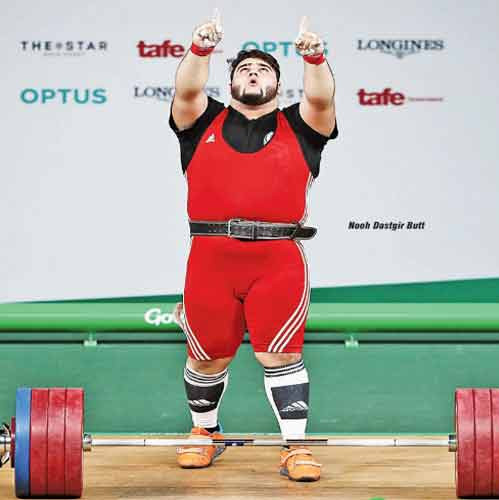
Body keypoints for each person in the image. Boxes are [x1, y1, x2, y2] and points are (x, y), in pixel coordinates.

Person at [169, 9, 337, 482]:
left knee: (280, 355)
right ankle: (205, 432)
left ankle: (295, 446)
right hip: (211, 259)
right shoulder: (201, 122)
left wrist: (315, 57)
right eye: (244, 69)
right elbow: (186, 90)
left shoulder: (303, 127)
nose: (253, 73)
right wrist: (200, 48)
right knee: (207, 356)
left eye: (263, 69)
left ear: (279, 85)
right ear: (230, 83)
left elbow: (321, 97)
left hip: (277, 260)